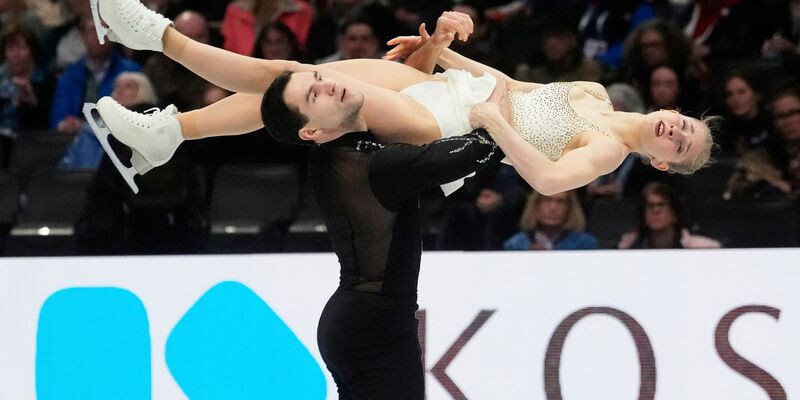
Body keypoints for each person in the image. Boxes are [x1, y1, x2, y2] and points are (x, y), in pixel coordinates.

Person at [86, 0, 715, 197]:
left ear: (663, 163)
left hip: (446, 131)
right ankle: (167, 132)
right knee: (296, 76)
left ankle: (152, 37)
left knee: (304, 86)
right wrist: (443, 46)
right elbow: (515, 88)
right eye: (685, 124)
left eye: (681, 147)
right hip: (449, 90)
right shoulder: (593, 89)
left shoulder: (606, 150)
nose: (676, 132)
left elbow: (550, 180)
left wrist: (495, 122)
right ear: (674, 111)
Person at [260, 59, 507, 400]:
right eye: (314, 96)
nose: (329, 85)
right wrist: (501, 94)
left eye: (318, 77)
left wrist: (430, 51)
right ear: (311, 132)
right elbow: (484, 146)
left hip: (362, 322)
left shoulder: (337, 153)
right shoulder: (376, 166)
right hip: (375, 329)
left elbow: (397, 97)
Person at [51, 15, 140, 134]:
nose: (99, 35)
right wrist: (65, 125)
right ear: (83, 36)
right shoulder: (69, 75)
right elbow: (57, 119)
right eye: (93, 30)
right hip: (74, 142)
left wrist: (84, 126)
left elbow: (132, 119)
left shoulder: (131, 72)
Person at [59, 72, 156, 169]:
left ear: (144, 92)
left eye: (128, 86)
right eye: (116, 86)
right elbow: (67, 168)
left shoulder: (154, 131)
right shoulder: (90, 131)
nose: (120, 91)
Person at [618, 181, 721, 249]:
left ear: (675, 212)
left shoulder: (704, 249)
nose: (656, 210)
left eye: (661, 205)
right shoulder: (627, 246)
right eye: (650, 205)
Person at [503, 190, 598, 250]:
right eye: (546, 200)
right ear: (536, 205)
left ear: (569, 208)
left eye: (560, 202)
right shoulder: (516, 244)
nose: (553, 208)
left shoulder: (585, 244)